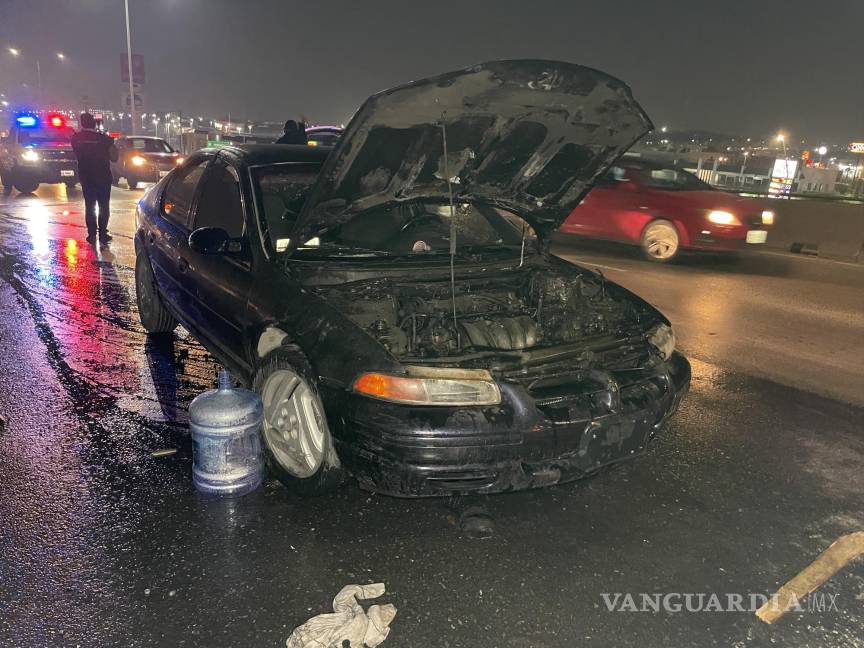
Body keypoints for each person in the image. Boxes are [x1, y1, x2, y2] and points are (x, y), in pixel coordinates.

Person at [71, 112, 118, 244]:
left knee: (90, 205)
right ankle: (103, 233)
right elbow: (114, 157)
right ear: (94, 123)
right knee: (104, 206)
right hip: (103, 176)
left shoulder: (76, 139)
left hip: (86, 176)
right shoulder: (104, 139)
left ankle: (91, 234)